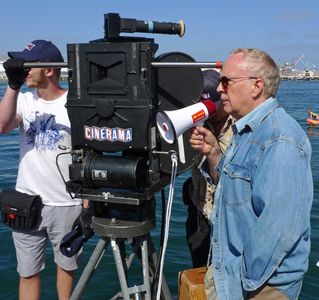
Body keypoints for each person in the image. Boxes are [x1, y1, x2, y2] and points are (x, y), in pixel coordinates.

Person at [189, 48, 313, 299]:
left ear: (256, 86)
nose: (220, 89)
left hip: (260, 286)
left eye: (227, 81)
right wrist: (213, 152)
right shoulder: (246, 132)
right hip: (238, 277)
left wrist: (243, 277)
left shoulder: (280, 139)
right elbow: (228, 189)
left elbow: (280, 227)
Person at [0, 40, 88, 300]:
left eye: (28, 65)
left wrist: (86, 204)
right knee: (27, 272)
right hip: (27, 202)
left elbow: (89, 154)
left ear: (49, 69)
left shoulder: (74, 103)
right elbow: (2, 126)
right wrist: (12, 86)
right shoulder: (24, 101)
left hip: (66, 204)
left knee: (66, 266)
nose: (24, 70)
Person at [182, 69, 234, 268]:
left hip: (229, 220)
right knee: (200, 273)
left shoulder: (238, 125)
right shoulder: (195, 124)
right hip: (200, 214)